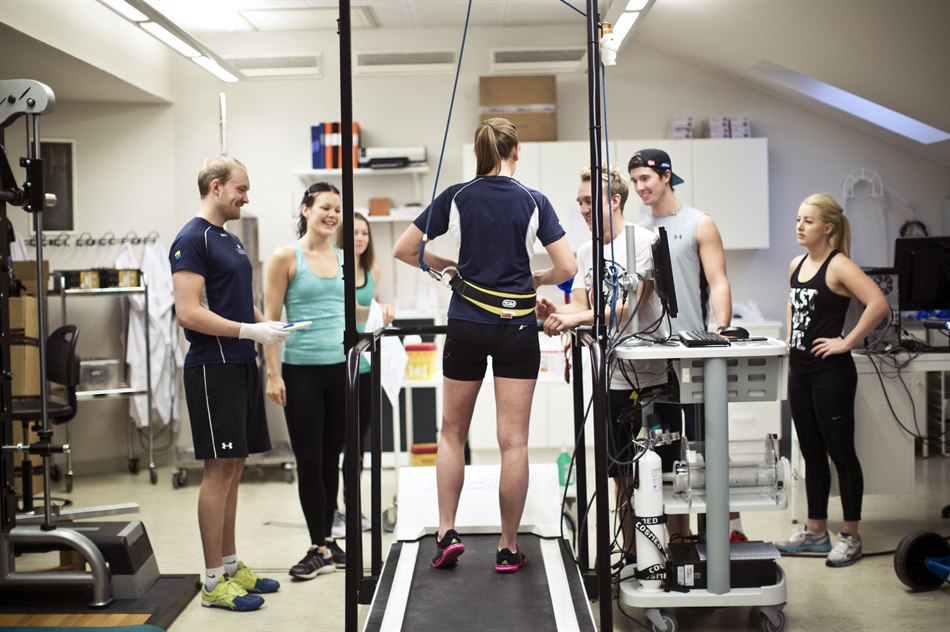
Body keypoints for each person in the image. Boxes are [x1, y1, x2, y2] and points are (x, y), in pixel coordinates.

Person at [392, 117, 576, 573]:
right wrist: (537, 278)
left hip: (467, 324)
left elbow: (404, 249)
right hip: (517, 329)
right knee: (514, 442)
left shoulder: (455, 196)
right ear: (516, 152)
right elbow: (568, 267)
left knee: (452, 432)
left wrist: (447, 266)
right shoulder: (534, 200)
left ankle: (446, 533)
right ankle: (508, 547)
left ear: (479, 153)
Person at [536, 167, 670, 569]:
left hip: (651, 371)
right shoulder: (585, 251)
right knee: (619, 471)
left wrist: (575, 319)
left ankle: (672, 549)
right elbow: (581, 303)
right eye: (579, 202)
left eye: (589, 201)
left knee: (663, 469)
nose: (582, 209)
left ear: (614, 200)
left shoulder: (642, 242)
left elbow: (627, 307)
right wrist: (556, 310)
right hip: (611, 373)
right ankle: (631, 555)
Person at [170, 156, 286, 611]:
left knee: (236, 466)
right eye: (241, 189)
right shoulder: (191, 238)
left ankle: (233, 566)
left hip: (240, 362)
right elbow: (188, 311)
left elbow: (240, 305)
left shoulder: (230, 241)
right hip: (212, 367)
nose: (246, 197)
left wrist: (266, 326)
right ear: (216, 187)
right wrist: (248, 331)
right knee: (218, 470)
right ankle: (213, 580)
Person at [628, 148, 746, 541]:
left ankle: (730, 529)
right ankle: (679, 539)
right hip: (654, 355)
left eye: (645, 178)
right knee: (665, 448)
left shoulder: (699, 223)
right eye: (634, 181)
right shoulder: (638, 232)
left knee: (709, 445)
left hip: (695, 354)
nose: (639, 187)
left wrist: (723, 329)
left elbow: (718, 280)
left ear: (666, 176)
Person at [262, 182, 367, 579]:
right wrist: (273, 373)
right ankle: (317, 545)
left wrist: (379, 311)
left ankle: (327, 541)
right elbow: (271, 321)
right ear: (306, 209)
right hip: (302, 370)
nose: (332, 215)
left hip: (340, 369)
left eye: (337, 209)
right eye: (325, 207)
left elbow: (345, 309)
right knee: (308, 460)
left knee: (331, 460)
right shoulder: (285, 257)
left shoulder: (343, 258)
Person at [777, 192, 888, 567]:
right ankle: (816, 532)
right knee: (811, 454)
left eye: (808, 221)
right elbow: (793, 302)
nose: (799, 226)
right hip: (800, 372)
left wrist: (846, 342)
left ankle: (851, 536)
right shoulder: (796, 264)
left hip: (831, 373)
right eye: (798, 219)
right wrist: (791, 337)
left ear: (828, 227)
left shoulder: (839, 265)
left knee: (841, 453)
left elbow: (878, 303)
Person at [331, 211, 395, 537]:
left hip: (366, 365)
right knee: (334, 444)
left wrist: (382, 311)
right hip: (338, 362)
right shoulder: (334, 269)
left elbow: (371, 311)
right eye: (354, 233)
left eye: (364, 233)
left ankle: (352, 509)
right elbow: (349, 310)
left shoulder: (372, 270)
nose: (359, 238)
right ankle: (332, 512)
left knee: (357, 445)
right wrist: (375, 310)